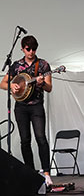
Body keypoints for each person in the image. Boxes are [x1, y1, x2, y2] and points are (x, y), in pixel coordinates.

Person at [0, 35, 53, 185]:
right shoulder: (16, 65)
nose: (31, 52)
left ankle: (47, 174)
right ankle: (30, 173)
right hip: (21, 107)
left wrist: (42, 84)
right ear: (22, 48)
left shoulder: (43, 65)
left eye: (34, 49)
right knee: (25, 140)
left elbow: (49, 88)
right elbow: (2, 83)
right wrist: (11, 86)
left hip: (36, 106)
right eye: (28, 49)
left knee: (41, 138)